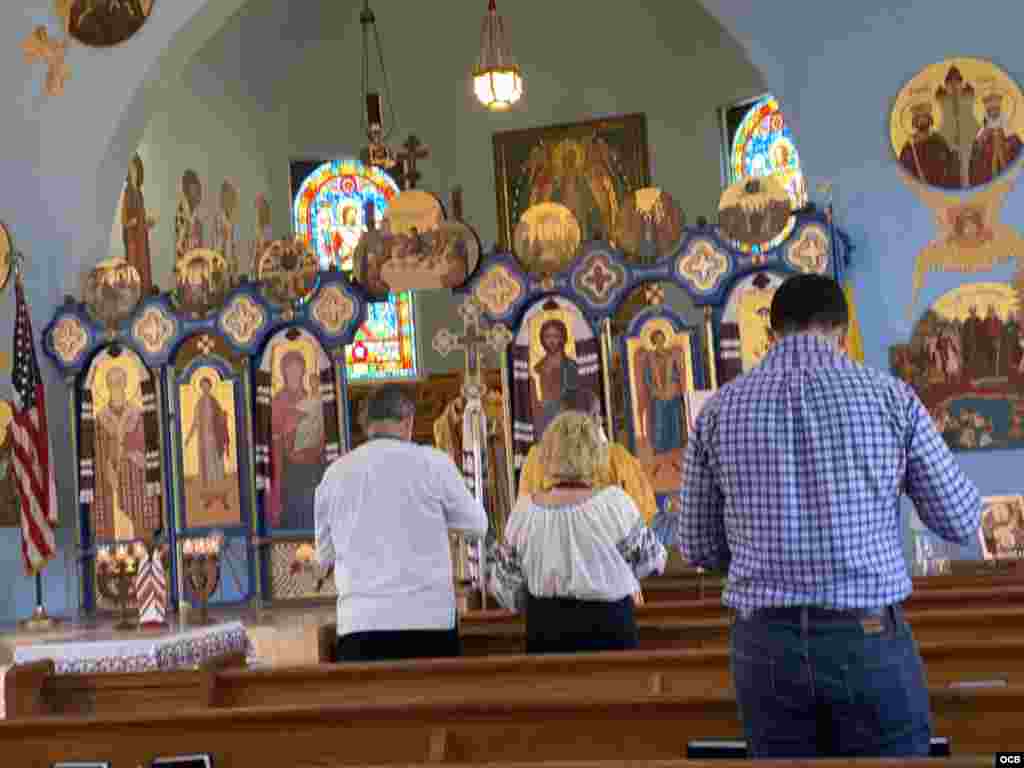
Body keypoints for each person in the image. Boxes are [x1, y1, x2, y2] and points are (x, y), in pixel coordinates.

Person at [678, 273, 981, 758]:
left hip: (766, 645)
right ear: (844, 330)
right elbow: (960, 519)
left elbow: (696, 545)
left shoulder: (718, 412)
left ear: (770, 333)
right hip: (866, 638)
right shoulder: (891, 399)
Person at [315, 384, 487, 662]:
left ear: (366, 425)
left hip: (361, 626)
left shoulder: (334, 475)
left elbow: (324, 558)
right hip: (428, 622)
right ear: (408, 421)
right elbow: (478, 526)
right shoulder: (434, 464)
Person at [490, 411, 667, 653]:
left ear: (547, 454)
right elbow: (651, 563)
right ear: (595, 453)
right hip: (611, 629)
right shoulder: (614, 504)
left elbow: (505, 589)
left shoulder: (524, 512)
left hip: (546, 632)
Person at [518, 387, 658, 526]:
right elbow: (642, 514)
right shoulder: (617, 457)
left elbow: (524, 516)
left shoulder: (537, 457)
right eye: (596, 415)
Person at [531, 318, 579, 438]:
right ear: (542, 339)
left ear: (563, 338)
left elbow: (573, 394)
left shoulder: (570, 365)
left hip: (565, 415)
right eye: (547, 336)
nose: (551, 340)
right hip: (544, 416)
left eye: (556, 336)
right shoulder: (539, 366)